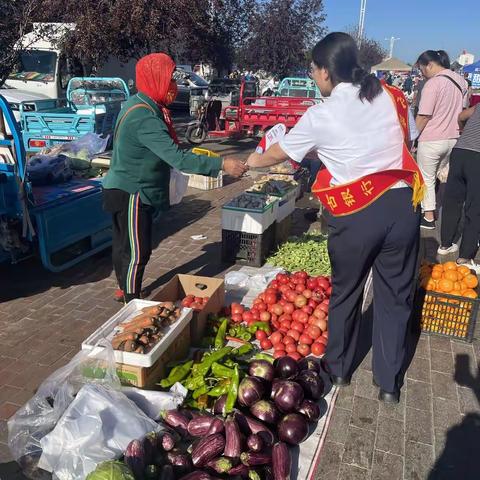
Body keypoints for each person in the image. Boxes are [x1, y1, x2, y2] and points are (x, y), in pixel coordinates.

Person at [247, 32, 424, 404]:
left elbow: (277, 153)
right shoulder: (391, 96)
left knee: (347, 292)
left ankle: (339, 370)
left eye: (313, 69)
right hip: (403, 207)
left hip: (358, 214)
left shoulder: (321, 113)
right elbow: (410, 136)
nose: (312, 76)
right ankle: (389, 384)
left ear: (327, 71)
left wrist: (247, 161)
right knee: (396, 298)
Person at [103, 53, 247, 303]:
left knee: (124, 245)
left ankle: (124, 287)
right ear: (153, 78)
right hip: (132, 192)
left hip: (120, 187)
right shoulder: (144, 117)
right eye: (169, 80)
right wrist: (221, 163)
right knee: (138, 251)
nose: (173, 87)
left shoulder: (140, 103)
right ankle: (131, 299)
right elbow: (178, 158)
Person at [415, 50, 468, 230]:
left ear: (429, 65)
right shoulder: (461, 81)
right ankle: (441, 208)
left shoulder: (433, 84)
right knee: (441, 176)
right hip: (454, 137)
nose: (422, 73)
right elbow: (464, 111)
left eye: (422, 69)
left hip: (431, 138)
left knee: (427, 178)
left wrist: (411, 137)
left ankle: (428, 216)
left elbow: (424, 115)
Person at [438, 104, 480, 273]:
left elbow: (461, 116)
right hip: (478, 157)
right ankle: (464, 257)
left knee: (452, 200)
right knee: (474, 207)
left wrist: (464, 131)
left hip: (460, 150)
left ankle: (445, 244)